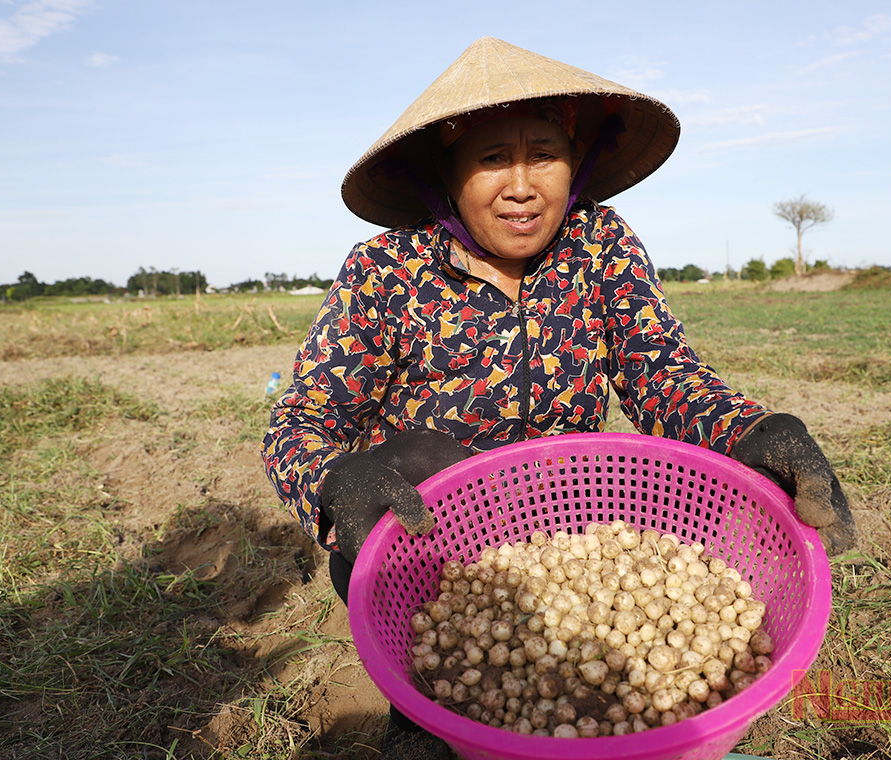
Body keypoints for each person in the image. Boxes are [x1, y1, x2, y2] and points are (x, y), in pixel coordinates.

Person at [263, 36, 856, 760]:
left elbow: (659, 373)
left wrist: (751, 430)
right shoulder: (387, 269)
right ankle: (420, 714)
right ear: (446, 175)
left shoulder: (598, 244)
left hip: (573, 528)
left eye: (542, 152)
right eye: (490, 159)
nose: (522, 185)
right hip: (428, 544)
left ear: (574, 162)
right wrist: (330, 480)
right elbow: (301, 421)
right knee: (416, 468)